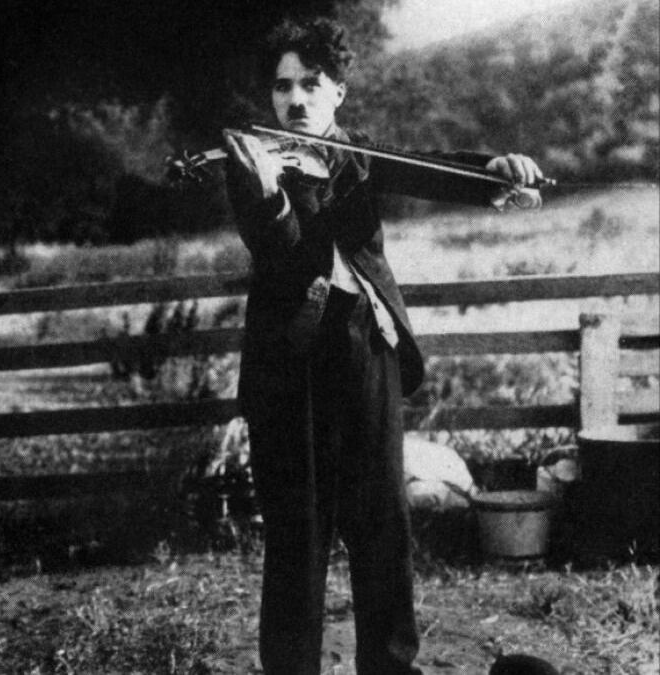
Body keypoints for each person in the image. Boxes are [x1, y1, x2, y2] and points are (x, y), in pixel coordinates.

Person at [222, 18, 543, 675]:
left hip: (368, 351)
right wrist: (274, 197)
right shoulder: (251, 163)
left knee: (383, 528)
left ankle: (392, 668)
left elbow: (428, 170)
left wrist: (493, 172)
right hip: (291, 369)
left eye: (311, 84)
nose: (296, 99)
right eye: (283, 87)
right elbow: (284, 260)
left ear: (338, 92)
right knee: (298, 538)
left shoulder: (357, 154)